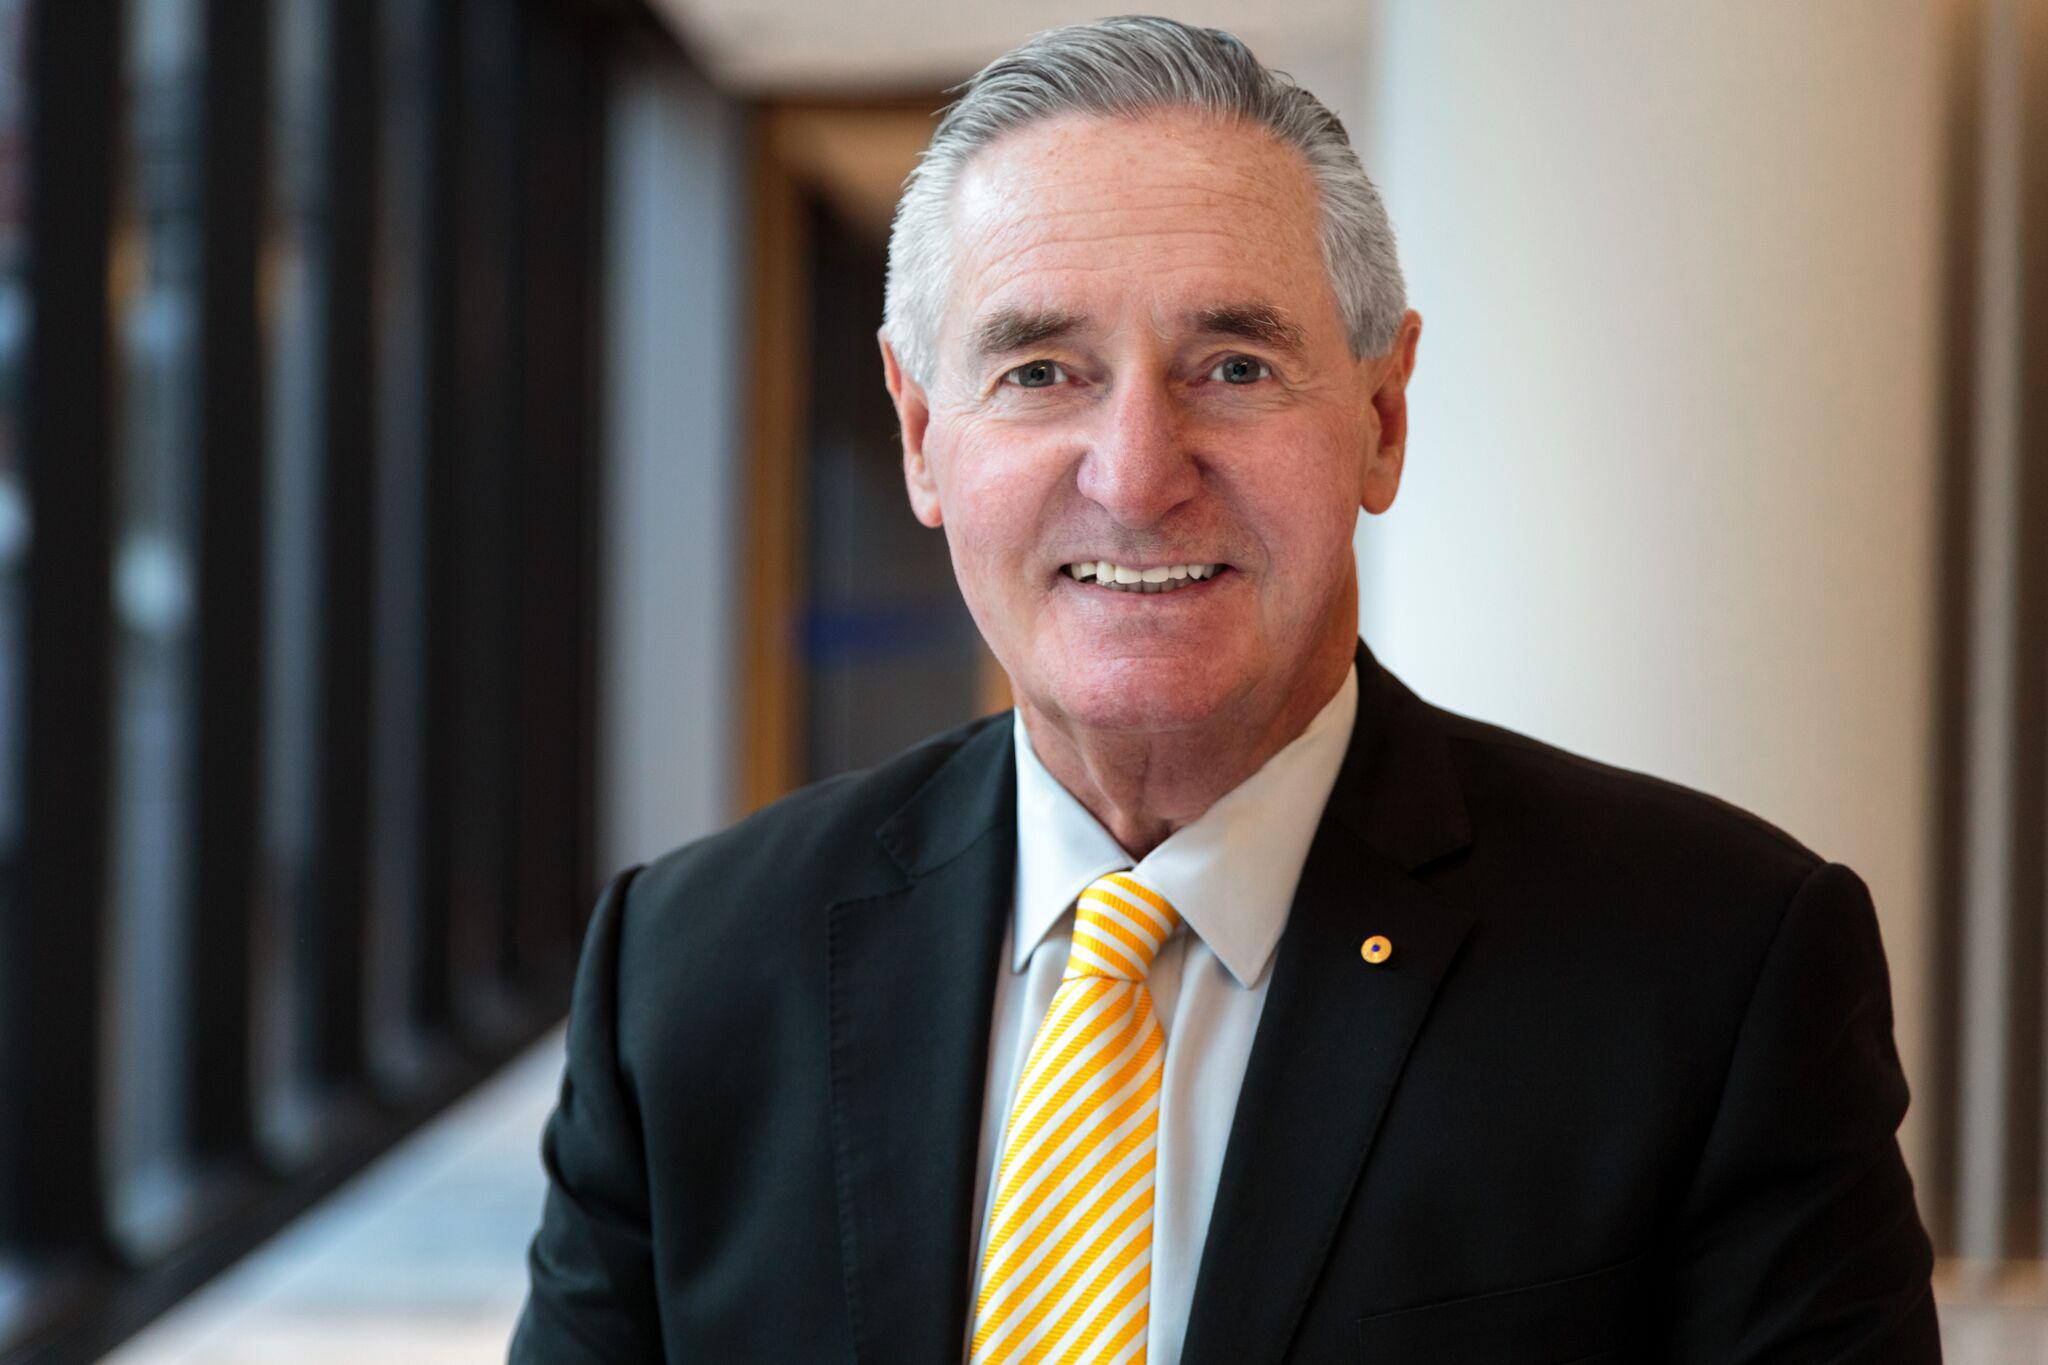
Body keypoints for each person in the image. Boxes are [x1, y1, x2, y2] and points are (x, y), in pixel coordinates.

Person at [511, 16, 1938, 1363]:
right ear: (921, 433)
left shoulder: (1717, 972)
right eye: (1042, 371)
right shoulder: (682, 976)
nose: (1137, 475)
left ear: (1382, 419)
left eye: (1235, 366)